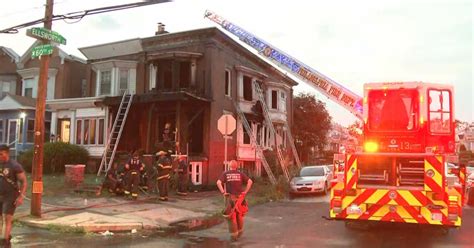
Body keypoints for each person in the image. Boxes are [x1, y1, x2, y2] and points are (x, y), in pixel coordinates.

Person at [216, 160, 253, 242]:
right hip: (240, 198)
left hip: (230, 198)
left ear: (229, 166)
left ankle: (234, 237)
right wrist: (245, 192)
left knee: (231, 217)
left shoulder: (226, 174)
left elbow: (218, 182)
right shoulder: (240, 174)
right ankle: (240, 233)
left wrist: (223, 192)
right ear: (236, 167)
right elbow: (250, 181)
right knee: (239, 215)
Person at [0, 145, 27, 246]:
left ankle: (5, 242)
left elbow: (24, 182)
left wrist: (21, 197)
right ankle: (6, 236)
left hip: (10, 196)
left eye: (1, 154)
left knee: (7, 218)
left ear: (7, 153)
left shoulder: (15, 166)